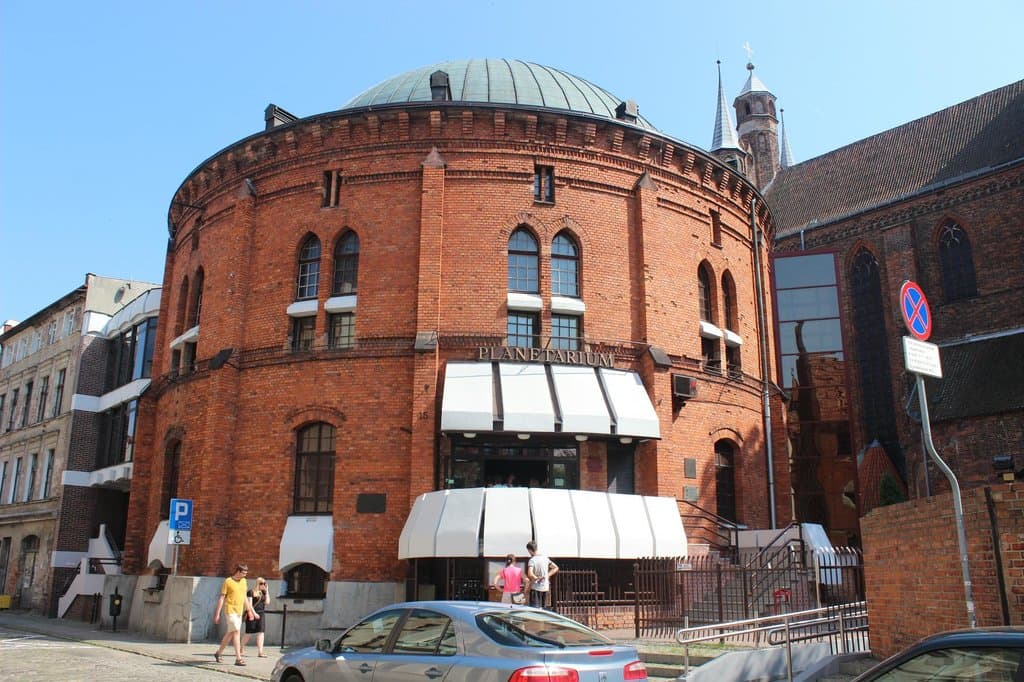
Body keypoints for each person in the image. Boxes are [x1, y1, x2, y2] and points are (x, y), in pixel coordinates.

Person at [214, 563, 257, 666]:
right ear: (238, 571)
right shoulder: (228, 581)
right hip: (230, 610)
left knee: (230, 633)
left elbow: (244, 598)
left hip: (239, 612)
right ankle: (238, 658)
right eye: (244, 573)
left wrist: (249, 611)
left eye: (246, 573)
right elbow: (222, 598)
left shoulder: (243, 581)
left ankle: (218, 653)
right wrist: (217, 614)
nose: (245, 575)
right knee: (236, 631)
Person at [241, 576, 271, 657]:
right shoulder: (251, 592)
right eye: (261, 583)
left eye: (264, 583)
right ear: (257, 583)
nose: (263, 585)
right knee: (248, 633)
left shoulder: (264, 593)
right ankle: (241, 648)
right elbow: (249, 605)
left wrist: (267, 591)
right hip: (252, 614)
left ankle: (260, 652)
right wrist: (254, 614)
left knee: (261, 632)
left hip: (261, 613)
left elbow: (267, 602)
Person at [526, 541, 559, 609]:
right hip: (545, 587)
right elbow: (556, 568)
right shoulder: (545, 558)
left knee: (534, 609)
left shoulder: (532, 560)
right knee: (543, 610)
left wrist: (536, 578)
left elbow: (530, 573)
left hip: (535, 587)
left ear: (529, 550)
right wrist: (548, 575)